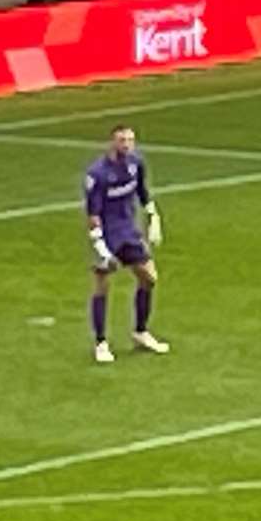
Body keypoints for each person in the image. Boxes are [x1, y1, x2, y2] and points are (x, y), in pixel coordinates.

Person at [83, 124, 167, 365]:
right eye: (122, 140)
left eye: (131, 140)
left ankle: (140, 331)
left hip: (128, 232)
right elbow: (93, 212)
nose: (127, 145)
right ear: (113, 142)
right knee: (102, 286)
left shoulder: (135, 163)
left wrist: (153, 217)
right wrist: (99, 244)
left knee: (149, 278)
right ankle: (101, 342)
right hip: (106, 234)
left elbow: (142, 191)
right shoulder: (97, 173)